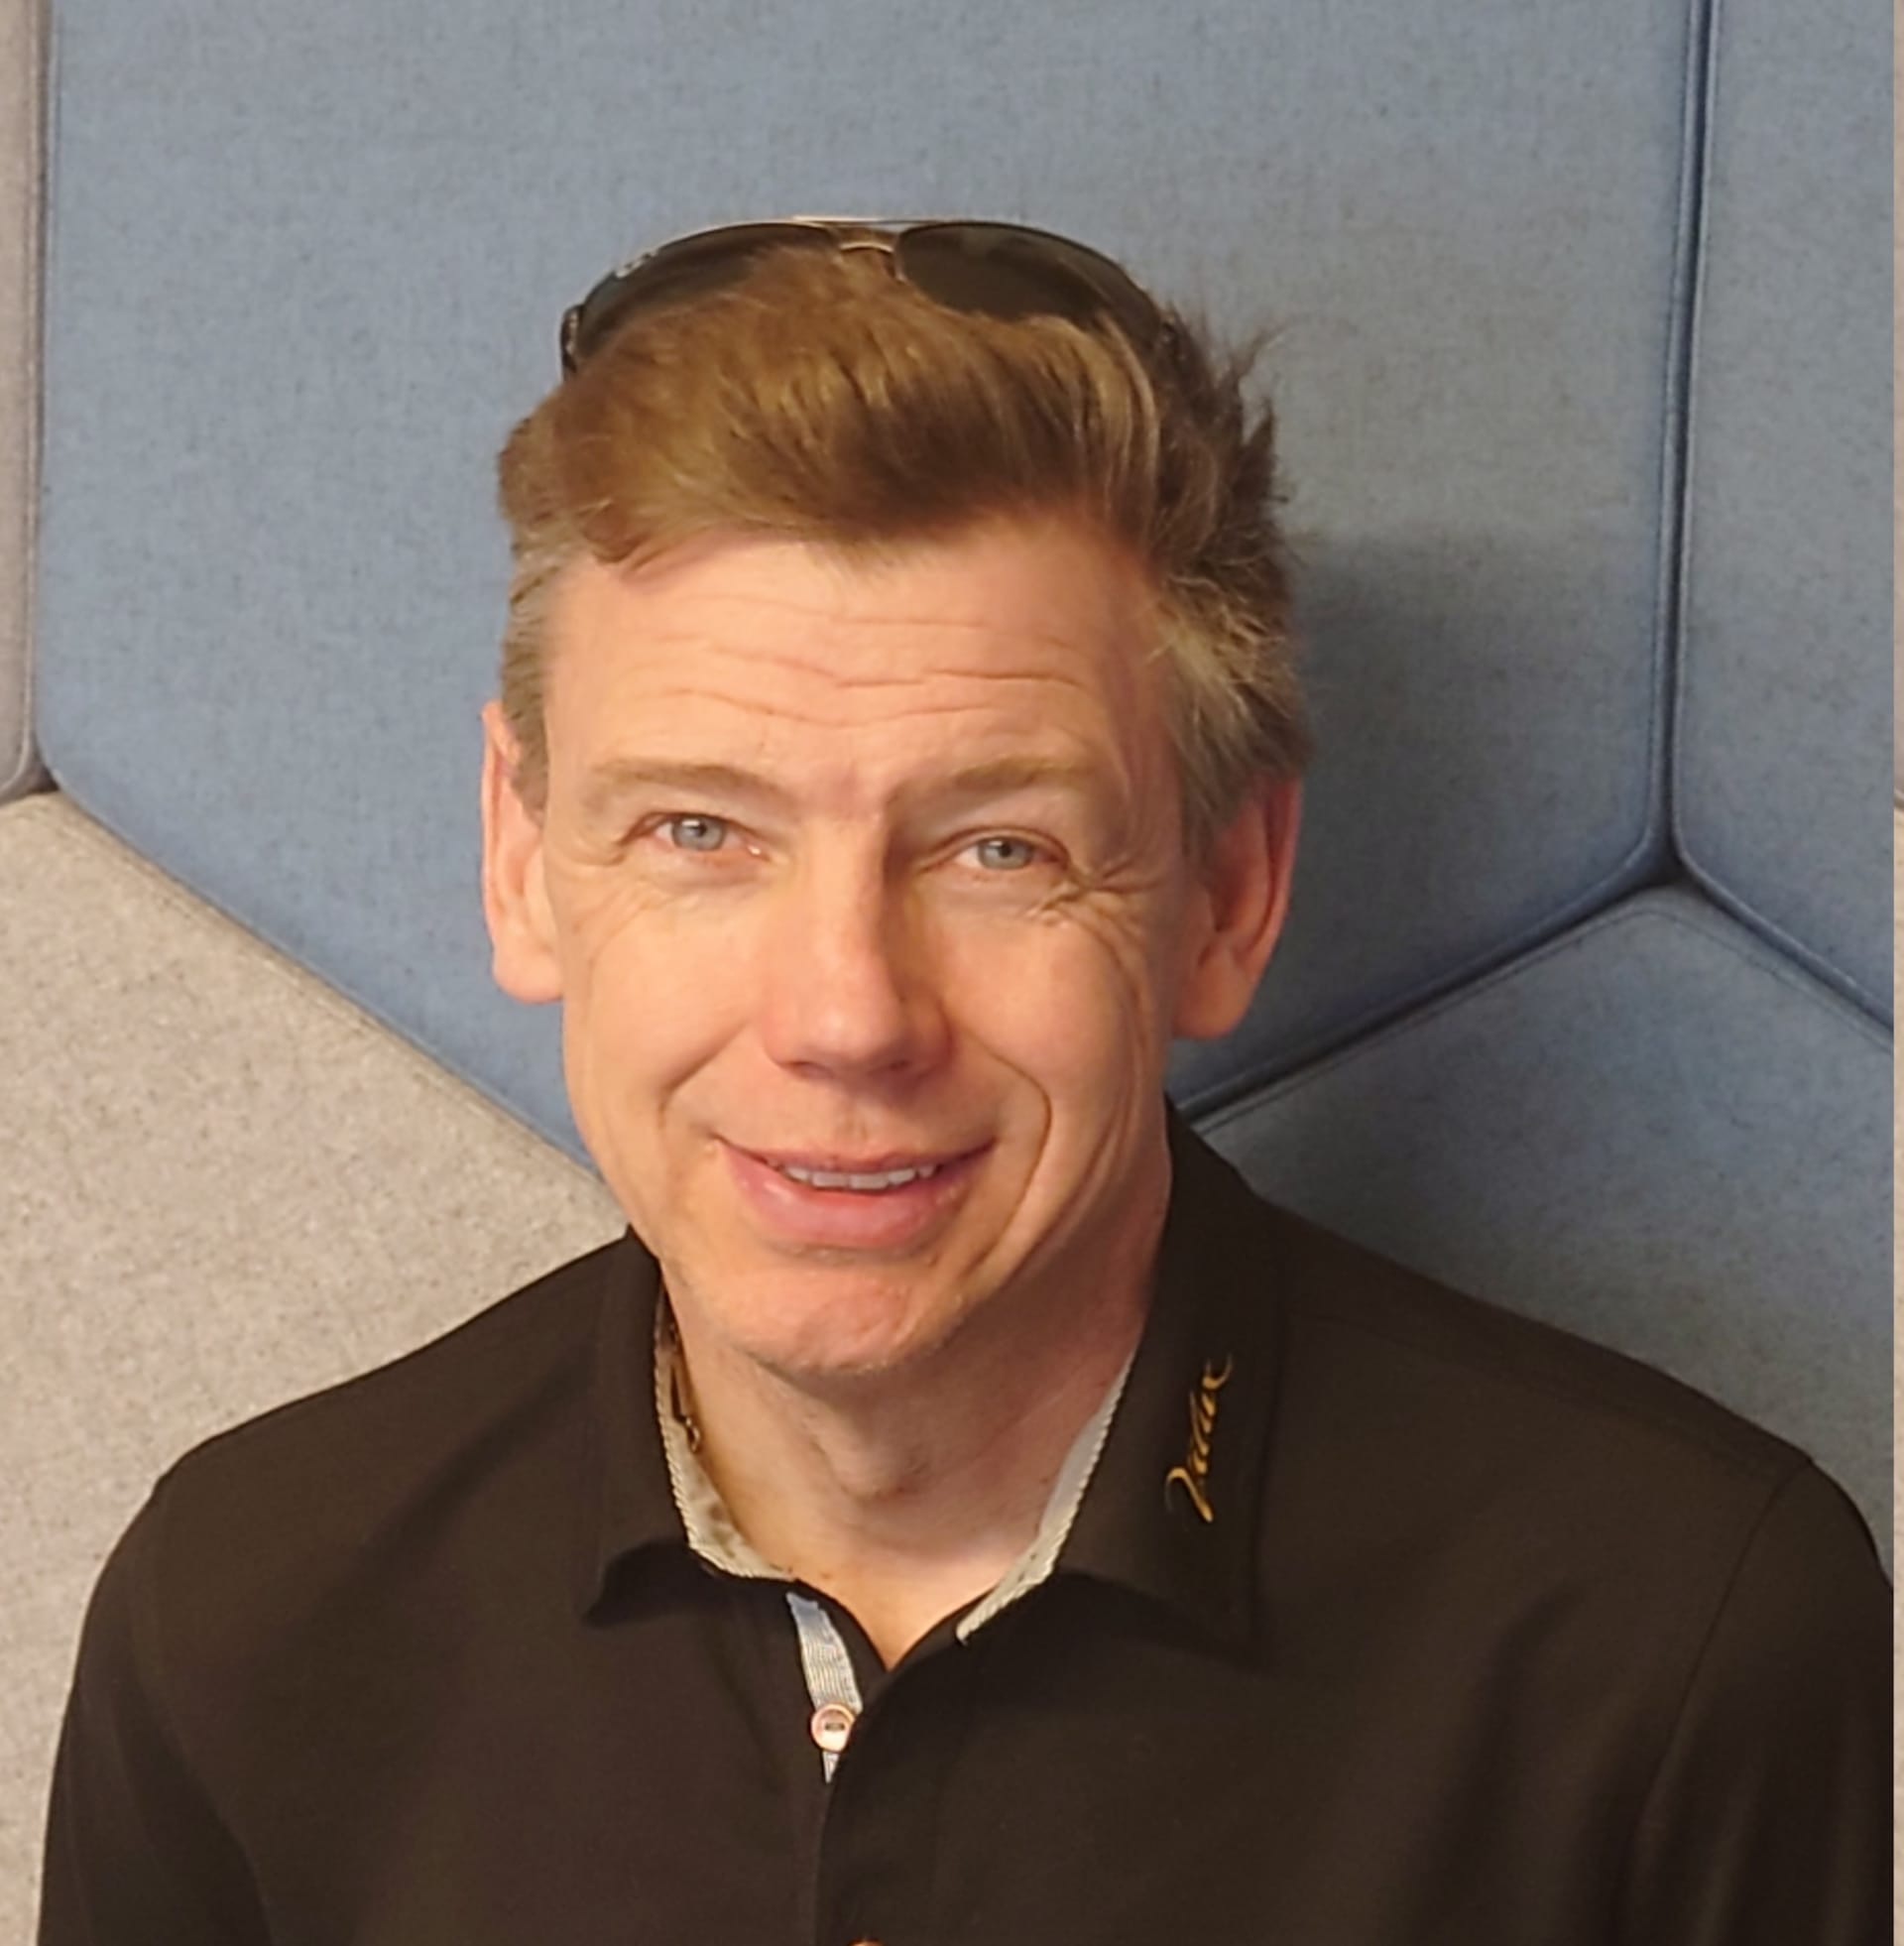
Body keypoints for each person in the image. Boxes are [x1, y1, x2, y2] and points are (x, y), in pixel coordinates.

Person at [38, 217, 1887, 1945]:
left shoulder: (1677, 1648)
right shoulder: (242, 1629)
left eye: (1000, 847)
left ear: (1228, 895)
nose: (846, 1013)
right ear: (523, 856)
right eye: (700, 830)